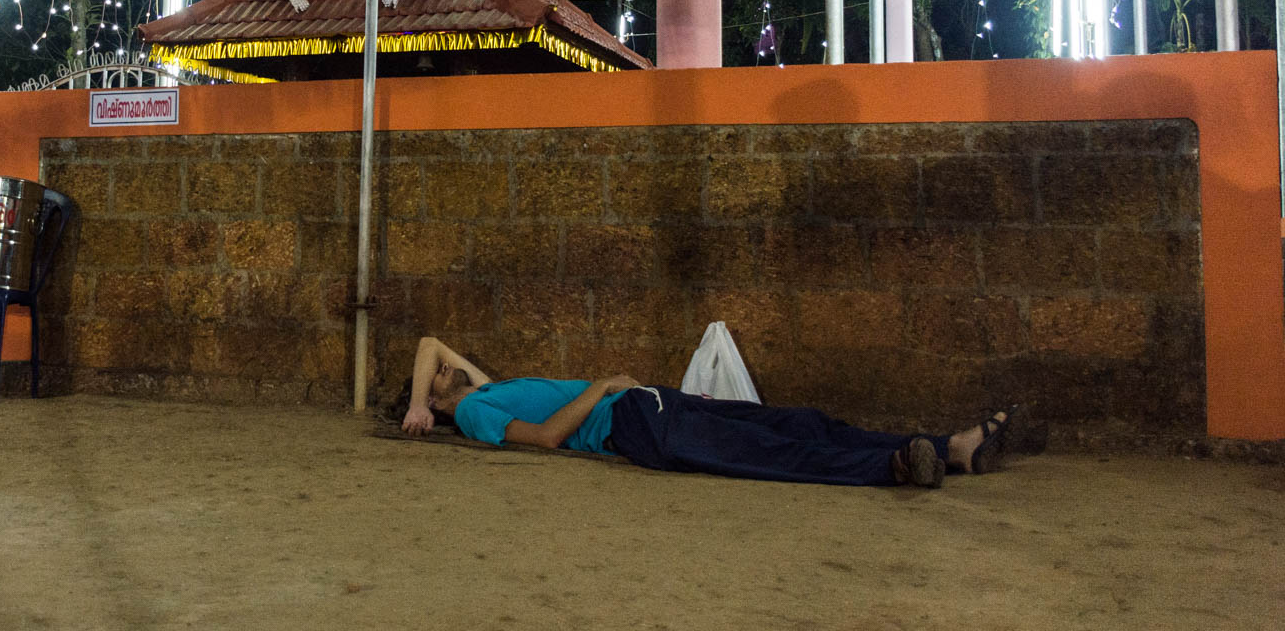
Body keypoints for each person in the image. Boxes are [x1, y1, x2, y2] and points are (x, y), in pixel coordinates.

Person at [397, 336, 1020, 489]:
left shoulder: (482, 388)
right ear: (442, 397)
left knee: (796, 422)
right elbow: (544, 439)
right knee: (771, 455)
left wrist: (427, 396)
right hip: (632, 423)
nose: (448, 364)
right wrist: (603, 383)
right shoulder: (476, 415)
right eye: (439, 379)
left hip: (653, 402)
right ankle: (896, 466)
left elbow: (433, 344)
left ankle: (949, 445)